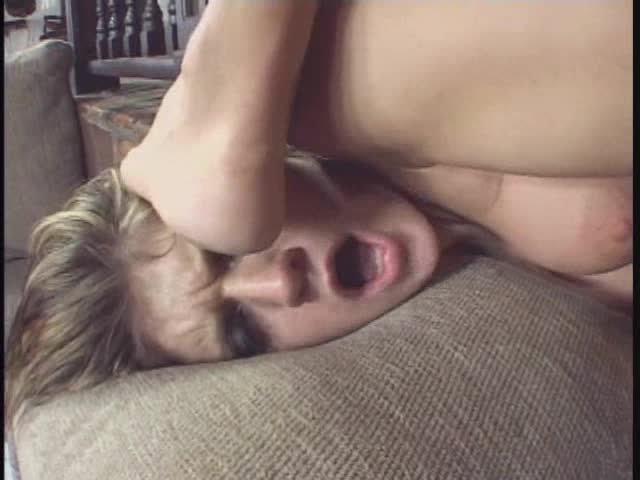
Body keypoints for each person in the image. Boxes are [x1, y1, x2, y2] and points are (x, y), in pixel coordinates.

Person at [5, 0, 631, 433]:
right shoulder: (495, 278)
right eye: (243, 334)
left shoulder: (353, 92)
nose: (280, 283)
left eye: (223, 252)